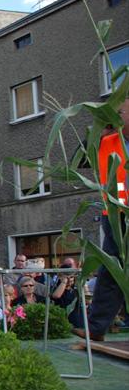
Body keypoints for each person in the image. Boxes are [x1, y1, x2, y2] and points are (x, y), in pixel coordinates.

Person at [73, 98, 129, 342]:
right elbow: (79, 160)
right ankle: (96, 328)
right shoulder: (107, 141)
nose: (118, 114)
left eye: (121, 110)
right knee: (111, 270)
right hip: (116, 215)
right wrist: (102, 129)